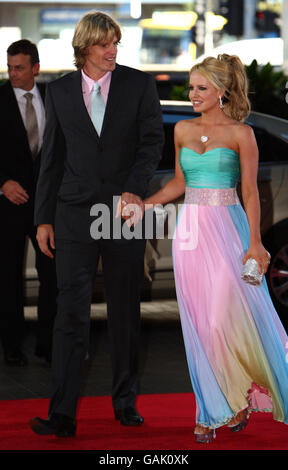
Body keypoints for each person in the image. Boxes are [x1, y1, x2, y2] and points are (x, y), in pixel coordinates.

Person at [29, 11, 163, 437]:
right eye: (105, 44)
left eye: (116, 44)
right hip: (72, 214)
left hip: (121, 213)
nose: (113, 51)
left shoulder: (139, 85)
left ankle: (124, 402)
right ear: (84, 47)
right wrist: (43, 218)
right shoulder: (60, 91)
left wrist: (134, 189)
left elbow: (151, 144)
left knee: (125, 310)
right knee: (70, 311)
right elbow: (51, 159)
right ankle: (62, 414)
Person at [144, 54, 288, 443]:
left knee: (223, 318)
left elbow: (250, 193)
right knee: (199, 325)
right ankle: (213, 409)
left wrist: (255, 241)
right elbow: (178, 183)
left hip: (229, 229)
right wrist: (146, 204)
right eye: (191, 87)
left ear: (222, 92)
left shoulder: (243, 134)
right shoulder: (183, 131)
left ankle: (237, 394)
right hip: (191, 233)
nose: (192, 95)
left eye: (200, 88)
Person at [0, 39, 57, 365]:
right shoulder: (0, 99)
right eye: (9, 68)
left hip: (47, 205)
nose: (13, 74)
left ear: (35, 67)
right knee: (8, 277)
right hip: (8, 204)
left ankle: (48, 344)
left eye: (19, 68)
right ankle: (11, 345)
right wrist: (3, 182)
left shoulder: (55, 98)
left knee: (52, 276)